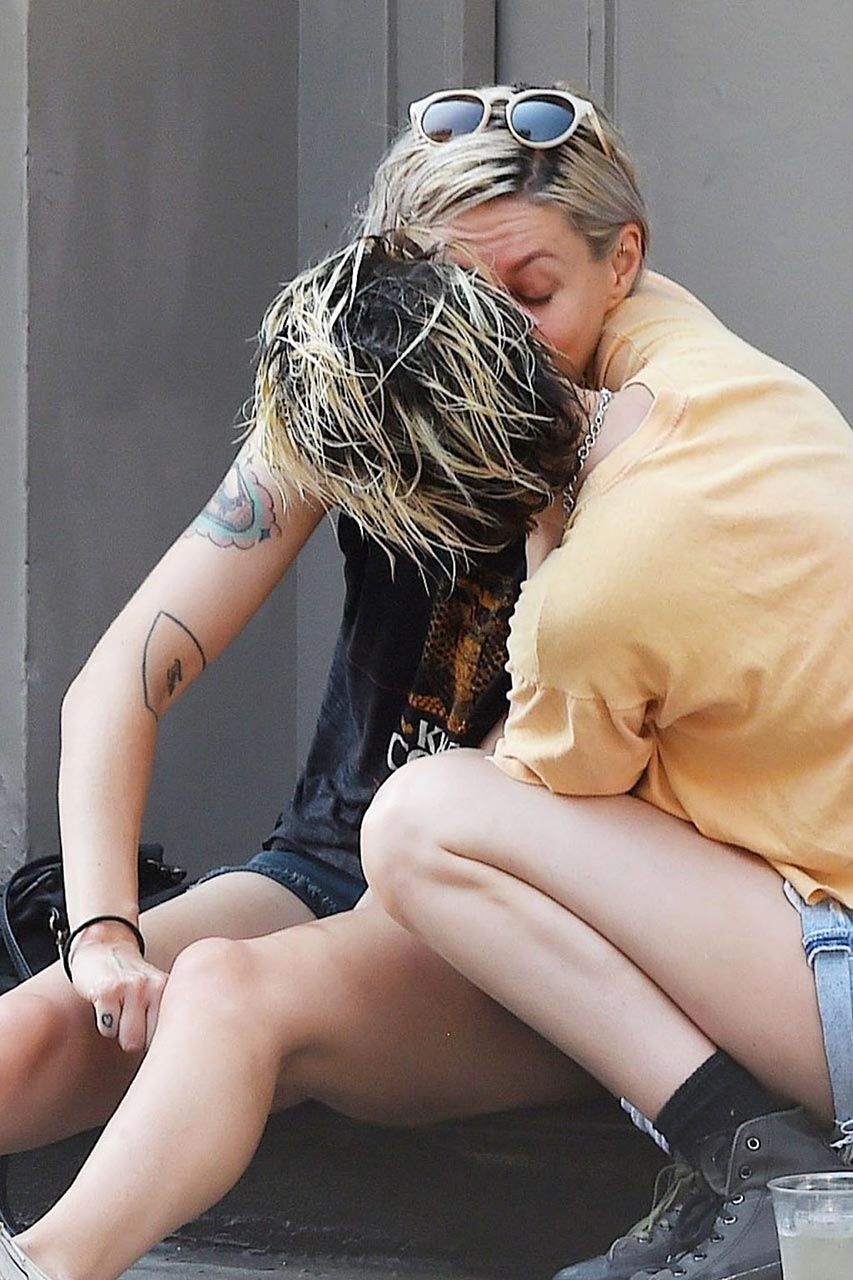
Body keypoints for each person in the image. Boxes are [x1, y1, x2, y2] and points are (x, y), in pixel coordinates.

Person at [0, 79, 839, 1280]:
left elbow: (575, 796)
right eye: (458, 289)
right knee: (39, 1025)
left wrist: (550, 522)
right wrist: (100, 934)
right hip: (340, 852)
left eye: (531, 292)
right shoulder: (367, 389)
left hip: (522, 907)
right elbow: (117, 684)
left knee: (231, 989)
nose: (496, 331)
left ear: (619, 270)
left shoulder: (640, 427)